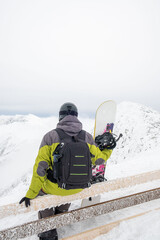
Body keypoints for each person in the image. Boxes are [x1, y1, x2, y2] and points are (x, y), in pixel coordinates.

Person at [19, 102, 112, 240]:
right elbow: (99, 160)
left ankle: (47, 230)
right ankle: (61, 213)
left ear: (60, 117)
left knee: (43, 190)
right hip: (77, 187)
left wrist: (30, 194)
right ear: (76, 116)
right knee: (66, 187)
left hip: (55, 188)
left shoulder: (50, 137)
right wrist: (109, 148)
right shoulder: (86, 137)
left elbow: (40, 168)